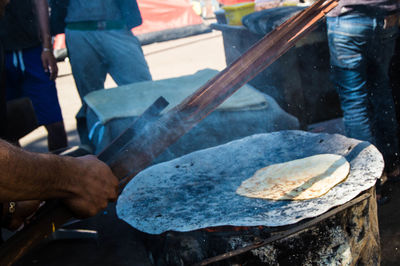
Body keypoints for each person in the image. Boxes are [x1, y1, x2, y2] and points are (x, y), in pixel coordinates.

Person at [54, 0, 152, 150]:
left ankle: (153, 138)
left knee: (143, 89)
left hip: (116, 27)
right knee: (91, 98)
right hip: (78, 30)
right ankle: (95, 150)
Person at [326, 2, 400, 180]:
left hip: (347, 22)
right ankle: (392, 166)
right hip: (386, 21)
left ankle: (370, 178)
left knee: (354, 103)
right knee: (382, 93)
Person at [0, 0, 68, 152]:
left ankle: (62, 169)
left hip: (32, 49)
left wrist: (47, 46)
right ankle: (19, 173)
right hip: (4, 51)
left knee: (54, 122)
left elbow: (40, 2)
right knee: (7, 129)